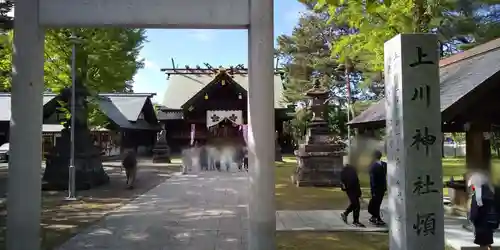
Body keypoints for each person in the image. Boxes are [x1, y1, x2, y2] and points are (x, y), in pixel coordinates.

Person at [469, 171, 499, 250]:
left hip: (481, 222)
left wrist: (472, 218)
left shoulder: (479, 193)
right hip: (490, 221)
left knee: (483, 243)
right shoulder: (490, 192)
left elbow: (477, 207)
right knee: (487, 241)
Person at [340, 156, 365, 227]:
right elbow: (354, 180)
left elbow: (354, 180)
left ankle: (345, 214)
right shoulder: (349, 170)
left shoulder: (347, 170)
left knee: (355, 204)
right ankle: (355, 221)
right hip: (351, 189)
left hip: (351, 189)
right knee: (356, 205)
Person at [368, 150, 387, 226]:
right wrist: (374, 190)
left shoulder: (381, 165)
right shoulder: (376, 166)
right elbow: (373, 180)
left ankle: (375, 217)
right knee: (377, 204)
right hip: (378, 188)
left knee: (377, 203)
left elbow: (372, 180)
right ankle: (377, 218)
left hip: (380, 188)